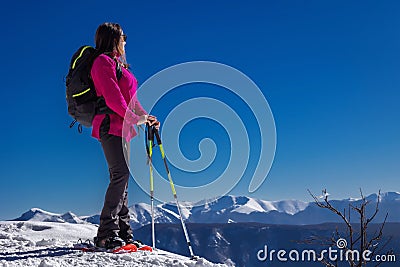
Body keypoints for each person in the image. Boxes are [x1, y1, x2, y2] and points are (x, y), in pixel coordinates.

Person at [90, 22, 159, 249]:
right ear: (113, 39)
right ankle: (105, 233)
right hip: (110, 125)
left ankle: (123, 232)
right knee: (120, 174)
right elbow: (113, 99)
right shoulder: (102, 62)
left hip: (124, 128)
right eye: (123, 37)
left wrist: (145, 117)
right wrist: (135, 119)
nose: (125, 41)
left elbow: (131, 100)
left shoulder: (120, 66)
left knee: (124, 178)